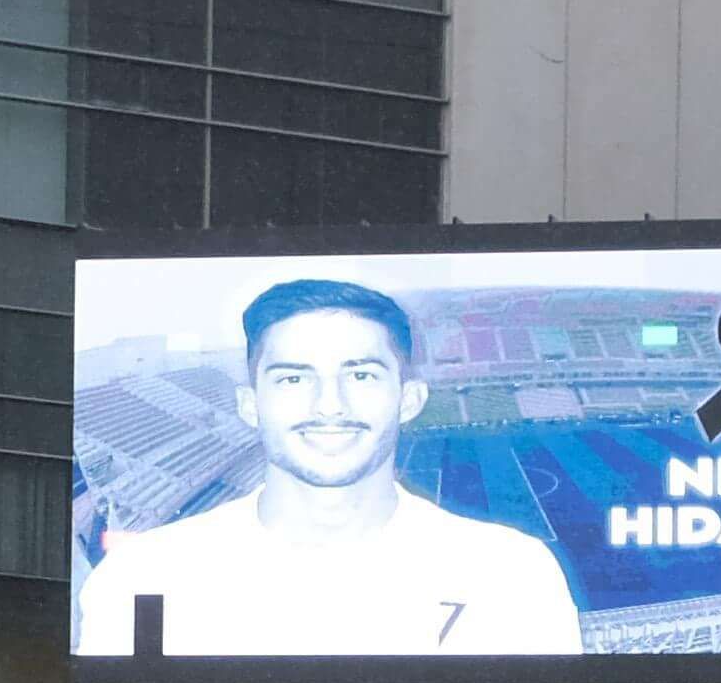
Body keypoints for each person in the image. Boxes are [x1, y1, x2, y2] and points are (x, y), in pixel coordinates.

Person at [72, 276, 583, 662]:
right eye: (293, 379)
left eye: (361, 375)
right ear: (250, 405)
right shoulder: (143, 577)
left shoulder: (511, 575)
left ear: (410, 399)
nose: (330, 405)